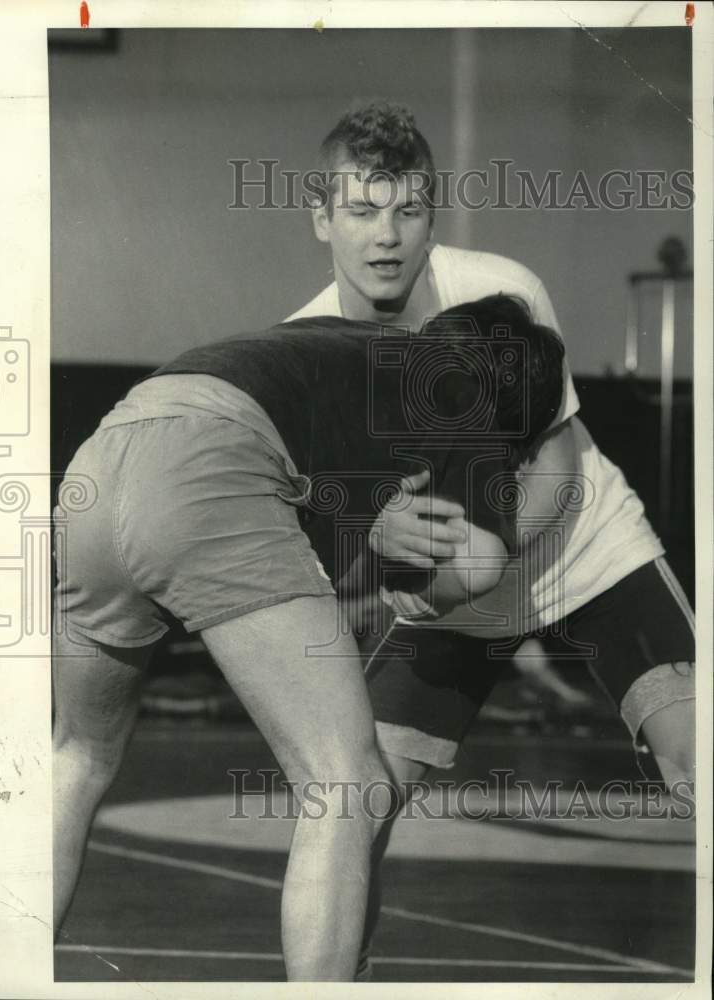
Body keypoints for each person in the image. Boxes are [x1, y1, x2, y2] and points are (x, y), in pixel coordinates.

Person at [285, 101, 695, 979]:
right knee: (352, 806)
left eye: (410, 209)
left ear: (435, 213)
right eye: (362, 211)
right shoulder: (304, 355)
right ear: (322, 218)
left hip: (584, 552)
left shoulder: (501, 289)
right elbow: (324, 528)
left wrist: (484, 556)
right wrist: (373, 527)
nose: (387, 237)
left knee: (697, 751)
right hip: (441, 602)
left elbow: (554, 466)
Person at [52, 295, 564, 981]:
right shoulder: (468, 394)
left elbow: (286, 446)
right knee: (347, 783)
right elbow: (481, 562)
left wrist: (372, 517)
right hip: (209, 473)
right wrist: (413, 586)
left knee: (76, 757)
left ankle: (0, 971)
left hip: (102, 459)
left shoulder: (347, 346)